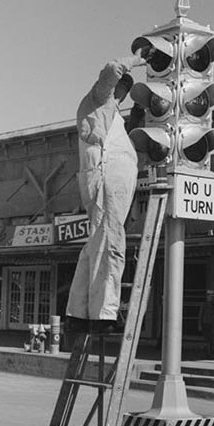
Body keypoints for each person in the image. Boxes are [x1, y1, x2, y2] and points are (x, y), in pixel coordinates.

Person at [66, 58, 138, 334]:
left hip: (108, 178)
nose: (122, 93)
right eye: (122, 87)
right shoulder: (98, 99)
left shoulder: (113, 114)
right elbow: (111, 70)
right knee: (110, 243)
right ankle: (104, 313)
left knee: (96, 243)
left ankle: (80, 311)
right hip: (105, 177)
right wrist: (135, 60)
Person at [199, 289, 214, 360]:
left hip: (213, 324)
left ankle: (212, 353)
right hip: (205, 323)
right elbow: (200, 315)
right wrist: (199, 325)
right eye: (209, 296)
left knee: (213, 339)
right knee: (207, 340)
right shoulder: (204, 304)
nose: (210, 297)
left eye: (212, 296)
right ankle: (208, 353)